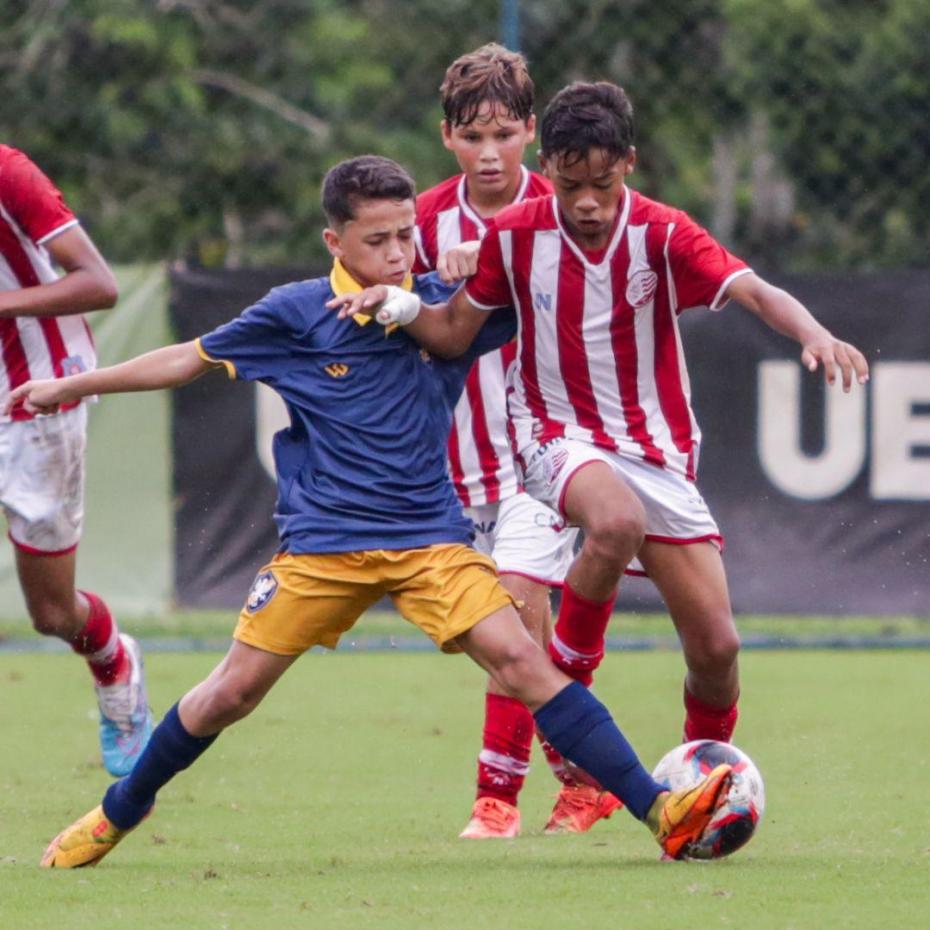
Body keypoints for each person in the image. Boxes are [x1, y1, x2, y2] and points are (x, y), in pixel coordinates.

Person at [13, 155, 733, 869]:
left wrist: (478, 259)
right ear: (335, 243)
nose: (397, 254)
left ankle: (657, 809)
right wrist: (69, 384)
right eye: (377, 241)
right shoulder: (295, 313)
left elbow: (547, 294)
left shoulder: (438, 306)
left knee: (523, 662)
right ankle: (117, 812)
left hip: (430, 544)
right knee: (229, 694)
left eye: (405, 235)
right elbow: (186, 359)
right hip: (322, 549)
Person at [329, 83, 870, 773]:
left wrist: (815, 333)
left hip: (655, 448)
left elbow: (754, 290)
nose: (587, 201)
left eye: (603, 183)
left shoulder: (664, 232)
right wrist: (402, 308)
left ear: (630, 164)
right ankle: (571, 679)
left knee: (717, 651)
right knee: (614, 521)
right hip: (552, 432)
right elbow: (453, 333)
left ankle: (704, 778)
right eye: (571, 182)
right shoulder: (515, 236)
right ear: (547, 166)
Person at [415, 44, 610, 839]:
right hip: (453, 466)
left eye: (503, 133)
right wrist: (438, 284)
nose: (489, 152)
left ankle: (494, 801)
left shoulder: (571, 206)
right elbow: (393, 317)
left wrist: (497, 260)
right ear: (447, 138)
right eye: (471, 136)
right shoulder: (421, 222)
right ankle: (586, 775)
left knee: (519, 605)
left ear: (530, 130)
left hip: (542, 452)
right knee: (499, 641)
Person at [0, 144, 152, 776]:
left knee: (52, 614)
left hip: (35, 400)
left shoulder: (8, 171)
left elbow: (99, 284)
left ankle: (114, 661)